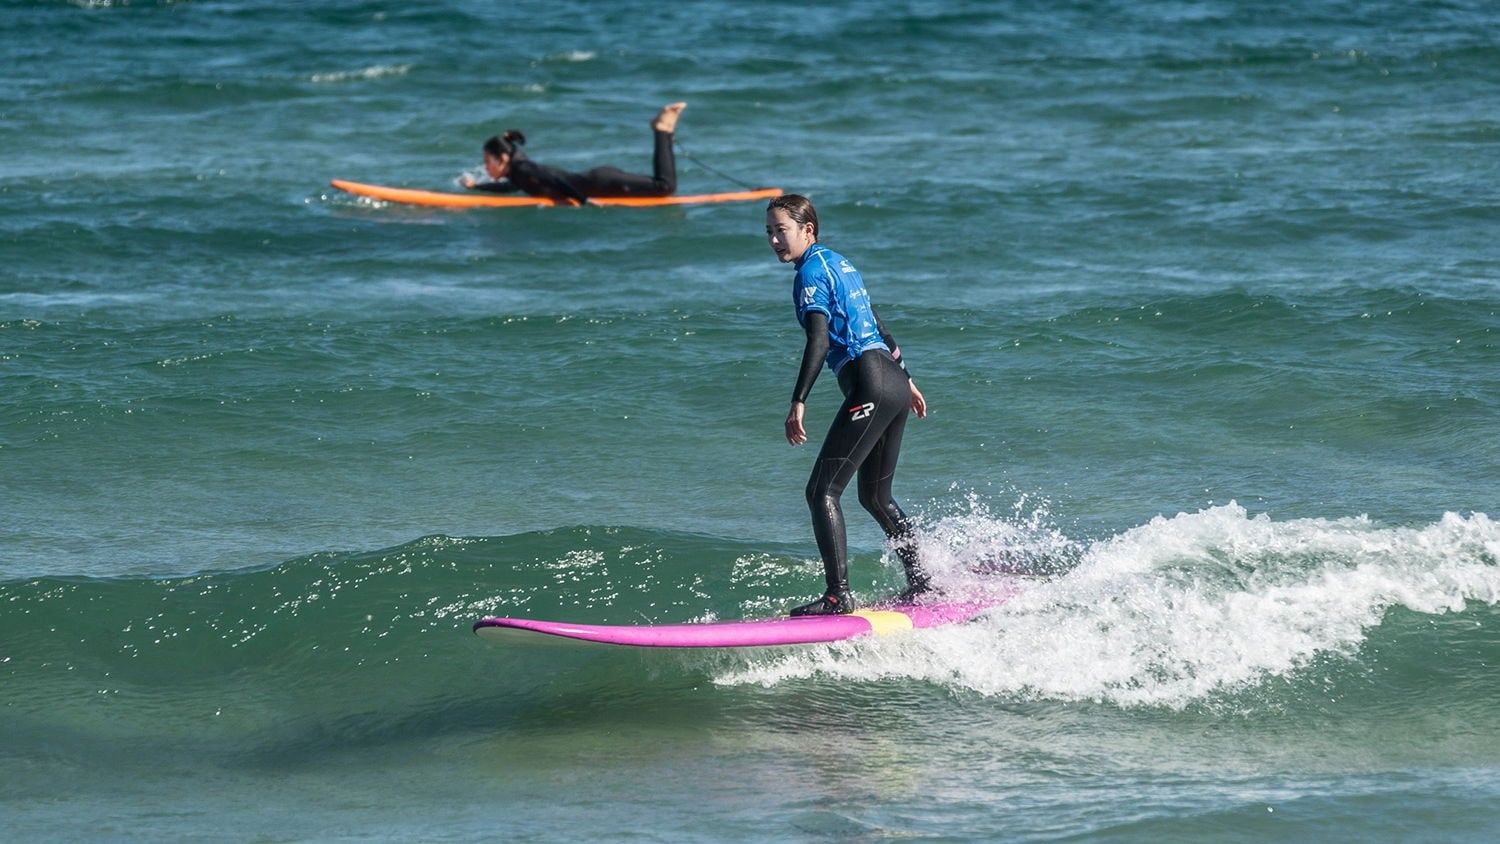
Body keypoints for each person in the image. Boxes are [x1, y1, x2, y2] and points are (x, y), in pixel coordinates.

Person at [764, 194, 930, 616]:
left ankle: (838, 596)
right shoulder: (841, 263)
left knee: (822, 491)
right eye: (769, 232)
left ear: (807, 230)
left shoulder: (809, 274)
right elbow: (877, 323)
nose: (774, 240)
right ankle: (924, 583)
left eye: (781, 230)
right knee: (876, 496)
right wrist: (906, 379)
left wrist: (798, 400)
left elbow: (818, 340)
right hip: (890, 380)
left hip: (869, 382)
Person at [460, 102, 686, 205]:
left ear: (504, 159)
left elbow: (554, 179)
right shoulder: (518, 174)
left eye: (488, 162)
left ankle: (662, 130)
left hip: (603, 183)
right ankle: (662, 130)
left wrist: (582, 200)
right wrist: (476, 187)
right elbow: (509, 188)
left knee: (664, 187)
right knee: (662, 188)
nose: (486, 168)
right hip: (600, 181)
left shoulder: (524, 168)